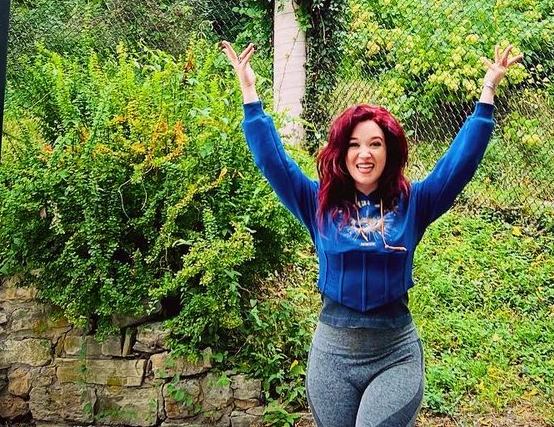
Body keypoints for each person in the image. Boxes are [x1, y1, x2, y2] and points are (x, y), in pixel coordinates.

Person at [220, 38, 522, 427]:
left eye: (375, 144)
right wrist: (249, 93)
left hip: (394, 352)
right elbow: (273, 163)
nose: (364, 153)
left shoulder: (416, 201)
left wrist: (488, 92)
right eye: (355, 144)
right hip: (332, 356)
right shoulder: (317, 202)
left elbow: (457, 166)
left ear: (389, 152)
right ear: (342, 154)